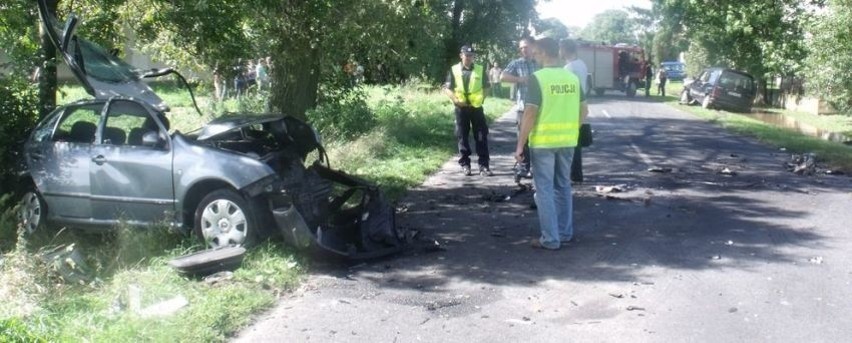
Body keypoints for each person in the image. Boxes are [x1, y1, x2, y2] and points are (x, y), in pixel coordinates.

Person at [515, 37, 588, 250]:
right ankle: (565, 233)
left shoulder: (538, 78)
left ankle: (550, 239)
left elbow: (529, 113)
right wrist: (572, 130)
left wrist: (520, 144)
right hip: (567, 141)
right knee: (563, 186)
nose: (535, 57)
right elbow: (584, 110)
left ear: (545, 53)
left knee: (544, 190)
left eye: (536, 53)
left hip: (544, 144)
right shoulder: (571, 77)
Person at [443, 45, 492, 176]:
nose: (469, 58)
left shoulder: (480, 70)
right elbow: (447, 88)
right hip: (461, 108)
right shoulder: (454, 70)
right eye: (466, 55)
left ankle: (484, 166)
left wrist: (482, 99)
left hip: (476, 108)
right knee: (462, 136)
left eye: (471, 55)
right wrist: (455, 100)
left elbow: (487, 86)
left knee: (481, 136)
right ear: (461, 55)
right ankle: (465, 165)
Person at [501, 36, 538, 178]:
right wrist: (519, 79)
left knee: (538, 139)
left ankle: (537, 168)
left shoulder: (540, 62)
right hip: (523, 108)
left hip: (540, 109)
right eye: (521, 47)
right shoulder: (517, 63)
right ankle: (524, 166)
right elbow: (503, 77)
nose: (524, 50)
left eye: (526, 47)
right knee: (523, 139)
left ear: (533, 47)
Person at [560, 39, 589, 183]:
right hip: (580, 105)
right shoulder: (582, 64)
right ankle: (577, 174)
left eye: (561, 49)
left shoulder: (568, 68)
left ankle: (573, 174)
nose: (559, 52)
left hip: (570, 107)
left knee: (570, 143)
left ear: (565, 50)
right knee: (576, 141)